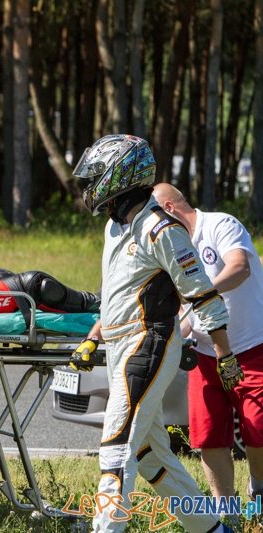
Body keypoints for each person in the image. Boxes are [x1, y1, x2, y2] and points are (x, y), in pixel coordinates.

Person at [71, 134, 240, 533]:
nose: (89, 184)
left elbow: (202, 293)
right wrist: (94, 335)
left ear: (121, 173)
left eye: (97, 175)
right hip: (119, 347)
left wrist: (226, 355)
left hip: (148, 343)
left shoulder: (160, 228)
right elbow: (117, 295)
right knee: (149, 456)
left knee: (116, 444)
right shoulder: (117, 226)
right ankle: (213, 529)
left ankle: (105, 528)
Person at [152, 183, 263, 502]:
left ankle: (258, 487)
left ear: (169, 209)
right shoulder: (171, 248)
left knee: (258, 427)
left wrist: (199, 295)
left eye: (154, 218)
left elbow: (239, 268)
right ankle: (225, 508)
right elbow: (188, 312)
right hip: (203, 355)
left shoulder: (220, 224)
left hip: (251, 347)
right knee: (209, 436)